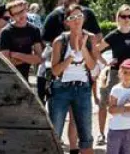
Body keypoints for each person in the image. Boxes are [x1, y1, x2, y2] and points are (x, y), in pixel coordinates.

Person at [48, 8, 99, 154]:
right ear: (67, 22)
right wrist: (71, 56)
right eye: (72, 17)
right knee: (55, 135)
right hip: (60, 89)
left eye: (79, 16)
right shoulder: (60, 41)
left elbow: (92, 66)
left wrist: (82, 49)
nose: (77, 19)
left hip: (82, 89)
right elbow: (55, 71)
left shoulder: (91, 38)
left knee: (86, 137)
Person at [97, 5, 130, 146]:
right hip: (115, 73)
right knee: (105, 103)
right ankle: (101, 133)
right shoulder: (113, 35)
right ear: (118, 18)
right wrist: (106, 62)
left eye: (129, 16)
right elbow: (97, 49)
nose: (126, 19)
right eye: (123, 16)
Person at [0, 0, 44, 82]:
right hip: (7, 78)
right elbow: (5, 62)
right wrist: (29, 59)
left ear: (26, 10)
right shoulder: (5, 32)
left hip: (24, 79)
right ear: (11, 16)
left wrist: (16, 55)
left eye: (22, 11)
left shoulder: (34, 30)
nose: (21, 15)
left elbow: (39, 59)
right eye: (16, 13)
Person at [105, 58, 130, 154]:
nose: (127, 76)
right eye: (125, 72)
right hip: (116, 129)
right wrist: (125, 108)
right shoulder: (116, 89)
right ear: (120, 73)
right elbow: (111, 109)